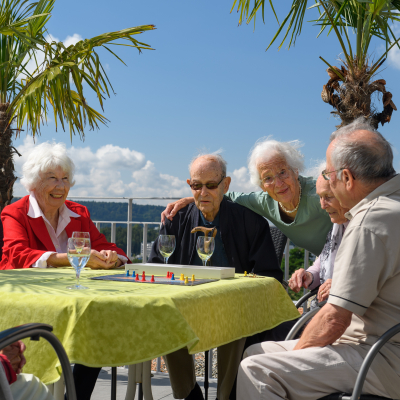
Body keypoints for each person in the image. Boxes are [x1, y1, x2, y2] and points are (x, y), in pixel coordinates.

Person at [237, 117, 400, 400]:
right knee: (256, 352)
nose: (325, 183)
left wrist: (293, 361)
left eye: (330, 173)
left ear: (347, 178)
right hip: (373, 341)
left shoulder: (368, 222)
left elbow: (335, 320)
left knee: (259, 370)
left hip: (381, 355)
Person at [149, 153, 289, 400]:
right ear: (189, 185)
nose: (203, 192)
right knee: (166, 316)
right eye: (196, 185)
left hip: (233, 308)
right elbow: (156, 264)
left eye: (211, 185)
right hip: (186, 305)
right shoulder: (175, 220)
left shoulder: (251, 222)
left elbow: (270, 276)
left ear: (226, 185)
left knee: (235, 319)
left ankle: (226, 396)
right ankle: (189, 394)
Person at [0, 142, 130, 400]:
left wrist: (112, 258)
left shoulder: (78, 213)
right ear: (34, 183)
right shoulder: (15, 213)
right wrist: (73, 258)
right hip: (29, 303)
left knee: (101, 329)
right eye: (52, 179)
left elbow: (109, 247)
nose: (61, 187)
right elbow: (18, 255)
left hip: (73, 300)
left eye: (65, 179)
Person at [162, 138, 332, 256]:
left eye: (282, 172)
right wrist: (195, 198)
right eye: (268, 178)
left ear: (295, 170)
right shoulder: (265, 202)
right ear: (261, 186)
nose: (278, 183)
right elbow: (227, 194)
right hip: (329, 265)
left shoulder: (319, 193)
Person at [288, 171, 349, 307]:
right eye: (320, 197)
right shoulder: (338, 227)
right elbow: (322, 261)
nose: (322, 205)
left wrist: (342, 285)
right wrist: (309, 275)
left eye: (328, 197)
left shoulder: (364, 228)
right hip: (328, 308)